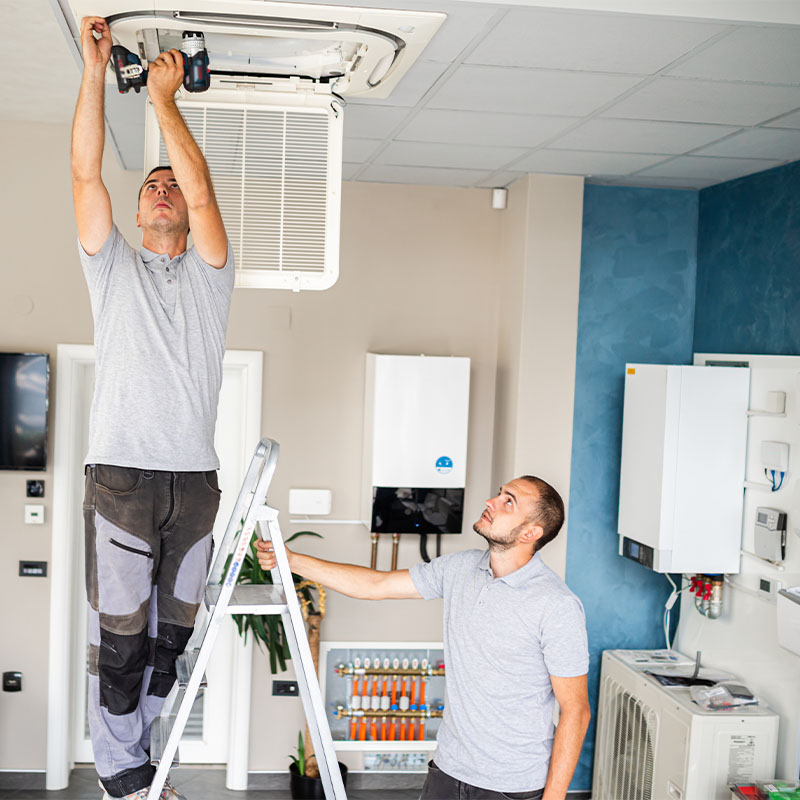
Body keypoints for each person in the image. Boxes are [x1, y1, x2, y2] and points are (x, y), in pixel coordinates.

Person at [71, 16, 234, 800]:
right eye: (150, 187)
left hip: (194, 485)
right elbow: (84, 177)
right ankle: (120, 776)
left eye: (167, 181)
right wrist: (96, 72)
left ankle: (150, 763)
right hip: (126, 482)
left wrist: (167, 104)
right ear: (136, 219)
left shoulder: (209, 274)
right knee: (123, 639)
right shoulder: (111, 270)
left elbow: (201, 188)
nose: (163, 187)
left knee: (174, 641)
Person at [257, 476, 590, 800]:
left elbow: (575, 709)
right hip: (448, 770)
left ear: (531, 532)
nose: (491, 501)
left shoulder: (556, 605)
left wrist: (555, 795)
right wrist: (292, 560)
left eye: (508, 502)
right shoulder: (459, 569)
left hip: (511, 785)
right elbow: (376, 585)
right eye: (499, 493)